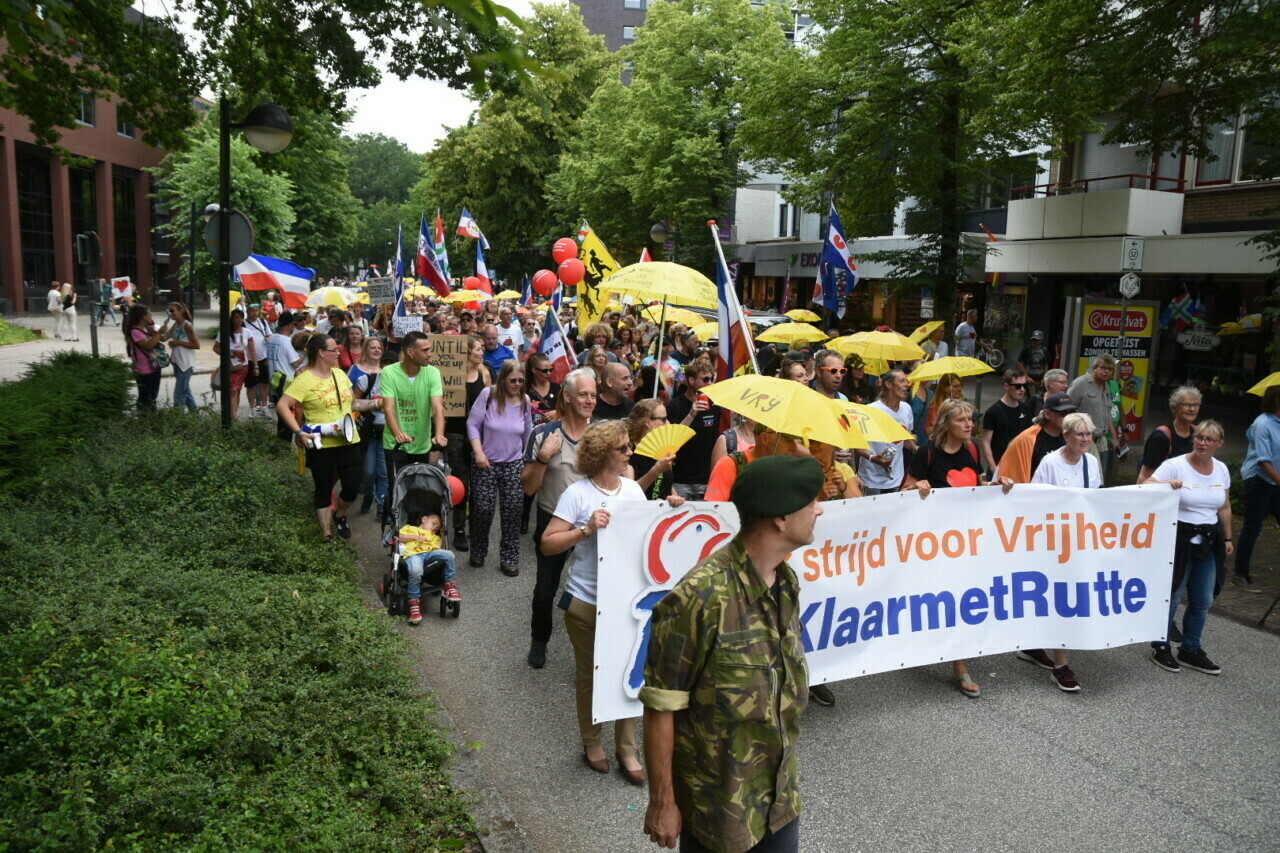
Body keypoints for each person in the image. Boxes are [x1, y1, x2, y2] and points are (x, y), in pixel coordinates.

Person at [641, 454, 824, 853]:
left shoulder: (786, 583)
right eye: (811, 501)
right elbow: (661, 707)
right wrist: (663, 802)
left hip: (780, 800)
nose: (820, 509)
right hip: (718, 813)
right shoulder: (699, 597)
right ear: (779, 516)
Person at [543, 421, 684, 785]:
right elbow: (548, 543)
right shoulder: (577, 494)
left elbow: (650, 536)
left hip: (627, 602)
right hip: (587, 601)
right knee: (591, 675)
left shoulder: (632, 493)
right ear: (603, 452)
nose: (630, 452)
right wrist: (584, 530)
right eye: (623, 448)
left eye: (629, 447)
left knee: (628, 676)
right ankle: (592, 743)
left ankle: (627, 748)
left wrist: (668, 510)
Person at [903, 398, 1015, 698]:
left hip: (967, 540)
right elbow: (902, 492)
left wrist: (996, 486)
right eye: (962, 420)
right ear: (946, 424)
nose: (969, 424)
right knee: (937, 598)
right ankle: (925, 644)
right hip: (935, 542)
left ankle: (960, 666)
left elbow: (974, 488)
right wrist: (918, 487)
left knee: (961, 600)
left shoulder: (973, 450)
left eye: (971, 419)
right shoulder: (928, 453)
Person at [1017, 412, 1101, 692]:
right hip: (1052, 543)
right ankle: (1061, 665)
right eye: (1080, 434)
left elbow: (1097, 501)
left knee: (1064, 597)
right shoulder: (1050, 462)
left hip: (1078, 541)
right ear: (1066, 435)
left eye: (1088, 434)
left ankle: (1033, 644)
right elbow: (1034, 501)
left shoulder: (1091, 462)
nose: (1085, 439)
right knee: (1058, 598)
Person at [522, 367, 597, 669]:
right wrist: (543, 458)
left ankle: (597, 647)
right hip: (552, 521)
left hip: (593, 527)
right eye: (583, 394)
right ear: (567, 397)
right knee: (545, 590)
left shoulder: (601, 434)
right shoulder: (543, 434)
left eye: (593, 395)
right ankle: (539, 641)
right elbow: (528, 487)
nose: (590, 400)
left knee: (599, 588)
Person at [1147, 420, 1234, 676]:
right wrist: (1167, 485)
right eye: (1199, 437)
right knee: (1173, 593)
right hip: (1179, 536)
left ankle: (1191, 648)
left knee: (1203, 598)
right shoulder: (1176, 465)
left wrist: (1228, 539)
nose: (1202, 443)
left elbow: (1225, 506)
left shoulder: (1221, 469)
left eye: (1209, 439)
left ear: (1220, 444)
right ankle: (1160, 645)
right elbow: (1146, 484)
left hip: (1208, 539)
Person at [276, 334, 376, 542]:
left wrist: (377, 404)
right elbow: (282, 406)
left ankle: (339, 515)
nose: (339, 352)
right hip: (321, 443)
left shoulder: (340, 374)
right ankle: (326, 532)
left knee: (351, 486)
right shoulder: (304, 379)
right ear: (322, 353)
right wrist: (298, 431)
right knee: (323, 488)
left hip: (348, 440)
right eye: (334, 350)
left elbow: (353, 404)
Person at [467, 359, 532, 577]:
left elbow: (527, 432)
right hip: (486, 462)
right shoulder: (488, 395)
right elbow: (472, 424)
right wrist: (478, 452)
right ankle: (478, 550)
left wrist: (526, 459)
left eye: (521, 380)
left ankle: (509, 558)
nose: (517, 384)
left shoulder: (525, 400)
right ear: (502, 379)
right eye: (513, 380)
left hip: (513, 464)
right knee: (483, 510)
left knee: (512, 512)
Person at [380, 331, 447, 487]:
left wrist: (439, 435)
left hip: (421, 442)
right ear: (410, 352)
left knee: (418, 490)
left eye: (430, 349)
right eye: (425, 350)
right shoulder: (389, 372)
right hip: (395, 443)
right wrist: (398, 434)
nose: (430, 354)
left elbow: (438, 407)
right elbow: (389, 409)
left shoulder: (433, 372)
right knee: (397, 488)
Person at [446, 337, 493, 549]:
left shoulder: (485, 372)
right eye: (478, 349)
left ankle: (476, 526)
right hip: (456, 433)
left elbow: (491, 403)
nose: (481, 352)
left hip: (480, 435)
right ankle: (458, 529)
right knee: (461, 482)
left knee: (479, 482)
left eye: (482, 349)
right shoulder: (453, 374)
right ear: (467, 352)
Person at [1233, 386, 1280, 592]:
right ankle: (1240, 573)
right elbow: (1264, 462)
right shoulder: (1263, 424)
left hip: (1275, 481)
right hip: (1259, 481)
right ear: (1276, 400)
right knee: (1253, 527)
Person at [666, 356, 721, 500]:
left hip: (705, 478)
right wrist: (691, 414)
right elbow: (673, 440)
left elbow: (716, 439)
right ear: (691, 380)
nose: (709, 383)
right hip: (681, 478)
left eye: (711, 379)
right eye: (705, 379)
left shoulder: (714, 406)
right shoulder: (675, 405)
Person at [856, 369, 916, 494]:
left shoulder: (907, 409)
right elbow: (855, 443)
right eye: (902, 381)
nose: (907, 384)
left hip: (896, 479)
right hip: (870, 480)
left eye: (907, 381)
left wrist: (914, 447)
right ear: (889, 385)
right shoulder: (870, 410)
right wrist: (872, 458)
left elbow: (905, 439)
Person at [995, 392, 1074, 483]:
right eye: (1063, 413)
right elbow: (1012, 473)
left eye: (1071, 412)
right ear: (1047, 414)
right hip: (1034, 493)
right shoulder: (1027, 439)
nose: (1068, 417)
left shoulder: (1071, 437)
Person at [398, 511, 459, 625]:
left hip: (429, 554)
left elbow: (438, 548)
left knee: (449, 555)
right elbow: (399, 537)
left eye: (436, 528)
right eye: (433, 523)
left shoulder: (434, 536)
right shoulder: (409, 528)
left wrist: (441, 535)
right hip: (413, 554)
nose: (434, 528)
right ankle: (414, 603)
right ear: (424, 519)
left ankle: (449, 586)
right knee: (416, 571)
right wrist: (416, 537)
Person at [349, 336, 388, 516]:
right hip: (368, 430)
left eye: (379, 347)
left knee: (384, 472)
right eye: (372, 347)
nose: (376, 350)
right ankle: (368, 496)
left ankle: (382, 506)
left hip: (386, 430)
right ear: (366, 350)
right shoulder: (363, 375)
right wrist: (375, 404)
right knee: (369, 471)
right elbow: (352, 402)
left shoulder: (392, 375)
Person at [1068, 354, 1120, 481]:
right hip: (1082, 439)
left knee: (1099, 475)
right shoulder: (1081, 383)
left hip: (1101, 439)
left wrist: (1114, 438)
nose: (1106, 371)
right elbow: (1066, 409)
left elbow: (1107, 414)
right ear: (1094, 368)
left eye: (1110, 369)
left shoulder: (1107, 386)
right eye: (1103, 368)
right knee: (1083, 475)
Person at [1138, 385, 1200, 483]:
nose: (1192, 409)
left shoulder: (1198, 435)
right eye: (1187, 404)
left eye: (1196, 405)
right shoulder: (1161, 437)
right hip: (1163, 493)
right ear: (1174, 408)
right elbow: (1144, 478)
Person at [980, 368, 1034, 475]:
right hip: (1000, 466)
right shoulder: (993, 411)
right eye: (1018, 386)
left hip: (1020, 467)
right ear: (1006, 386)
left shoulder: (1025, 409)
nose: (1022, 389)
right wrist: (993, 468)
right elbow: (986, 442)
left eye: (1025, 386)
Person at [626, 400, 678, 500]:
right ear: (647, 422)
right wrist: (656, 470)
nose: (668, 423)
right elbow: (628, 493)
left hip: (663, 512)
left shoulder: (663, 448)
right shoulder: (629, 451)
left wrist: (675, 498)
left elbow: (667, 483)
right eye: (664, 419)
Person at [213, 308, 255, 420]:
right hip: (229, 366)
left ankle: (233, 414)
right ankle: (233, 414)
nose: (239, 320)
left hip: (242, 366)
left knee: (236, 389)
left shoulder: (247, 332)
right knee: (233, 390)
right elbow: (216, 348)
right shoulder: (224, 332)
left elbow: (252, 350)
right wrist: (228, 354)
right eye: (236, 317)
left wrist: (256, 366)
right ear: (232, 319)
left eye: (241, 318)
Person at [160, 301, 200, 413]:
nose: (170, 313)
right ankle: (195, 416)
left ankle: (178, 419)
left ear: (181, 311)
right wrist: (159, 332)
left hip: (186, 364)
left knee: (179, 394)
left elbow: (197, 345)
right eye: (169, 311)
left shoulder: (187, 325)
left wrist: (177, 342)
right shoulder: (175, 325)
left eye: (172, 311)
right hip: (177, 363)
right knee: (185, 391)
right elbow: (164, 338)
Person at [123, 304, 163, 411]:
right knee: (145, 397)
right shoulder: (134, 331)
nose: (151, 316)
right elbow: (148, 345)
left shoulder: (146, 329)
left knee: (153, 396)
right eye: (149, 314)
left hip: (154, 365)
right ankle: (144, 420)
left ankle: (152, 420)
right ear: (142, 316)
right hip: (143, 369)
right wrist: (159, 333)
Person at [243, 303, 273, 417]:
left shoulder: (263, 322)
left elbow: (270, 335)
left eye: (256, 310)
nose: (254, 313)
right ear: (247, 312)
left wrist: (267, 339)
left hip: (263, 357)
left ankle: (264, 407)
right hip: (249, 359)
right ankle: (252, 408)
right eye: (252, 311)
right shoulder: (244, 324)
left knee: (264, 383)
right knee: (250, 385)